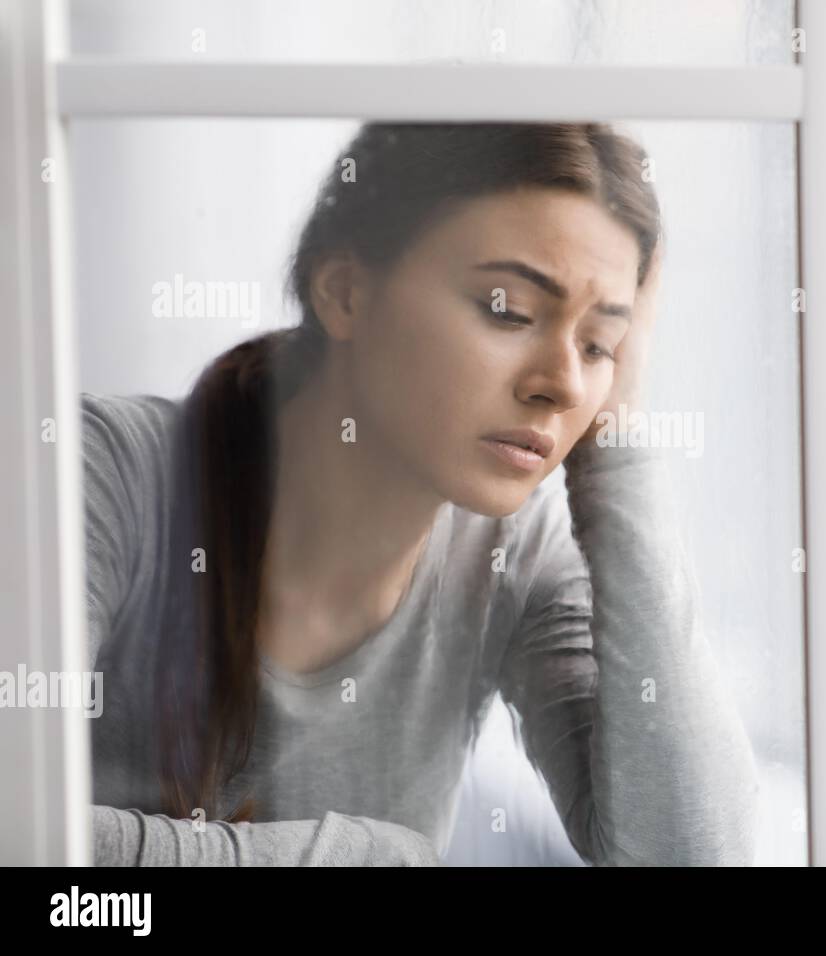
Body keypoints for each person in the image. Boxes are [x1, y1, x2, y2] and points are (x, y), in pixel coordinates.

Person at [83, 122, 759, 865]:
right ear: (345, 292)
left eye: (599, 346)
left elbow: (691, 855)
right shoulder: (105, 476)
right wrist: (370, 857)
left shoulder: (517, 558)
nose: (564, 385)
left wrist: (619, 439)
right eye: (507, 308)